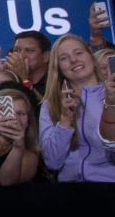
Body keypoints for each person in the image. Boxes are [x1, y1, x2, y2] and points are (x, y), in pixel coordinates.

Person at [39, 34, 115, 181]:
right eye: (64, 58)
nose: (73, 60)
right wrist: (65, 121)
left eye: (79, 53)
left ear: (91, 57)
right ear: (58, 68)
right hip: (71, 191)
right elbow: (52, 162)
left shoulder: (111, 94)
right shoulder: (51, 104)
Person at [6, 30, 51, 100]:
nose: (21, 56)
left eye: (29, 50)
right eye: (17, 50)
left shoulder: (56, 81)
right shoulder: (10, 80)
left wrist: (24, 80)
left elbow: (44, 108)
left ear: (46, 56)